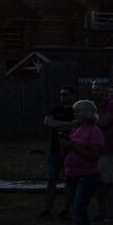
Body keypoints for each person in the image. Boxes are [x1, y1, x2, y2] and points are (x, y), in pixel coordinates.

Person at [61, 100, 105, 225]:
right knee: (76, 209)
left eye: (78, 111)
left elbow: (93, 157)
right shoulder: (77, 130)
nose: (75, 114)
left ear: (87, 113)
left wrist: (73, 145)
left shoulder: (95, 132)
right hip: (72, 173)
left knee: (79, 208)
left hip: (87, 175)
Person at [41, 86, 76, 217]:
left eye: (65, 94)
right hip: (54, 149)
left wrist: (55, 124)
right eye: (61, 94)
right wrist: (65, 125)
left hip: (70, 150)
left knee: (69, 180)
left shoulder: (76, 110)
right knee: (51, 179)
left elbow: (74, 125)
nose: (62, 96)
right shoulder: (56, 109)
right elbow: (46, 121)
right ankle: (47, 209)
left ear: (73, 95)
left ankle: (66, 209)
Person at [91, 81, 113, 223]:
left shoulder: (112, 104)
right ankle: (101, 211)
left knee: (108, 182)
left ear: (104, 91)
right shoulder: (93, 106)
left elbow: (104, 122)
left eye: (98, 89)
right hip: (93, 148)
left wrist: (87, 121)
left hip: (107, 147)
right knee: (97, 182)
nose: (95, 92)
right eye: (93, 89)